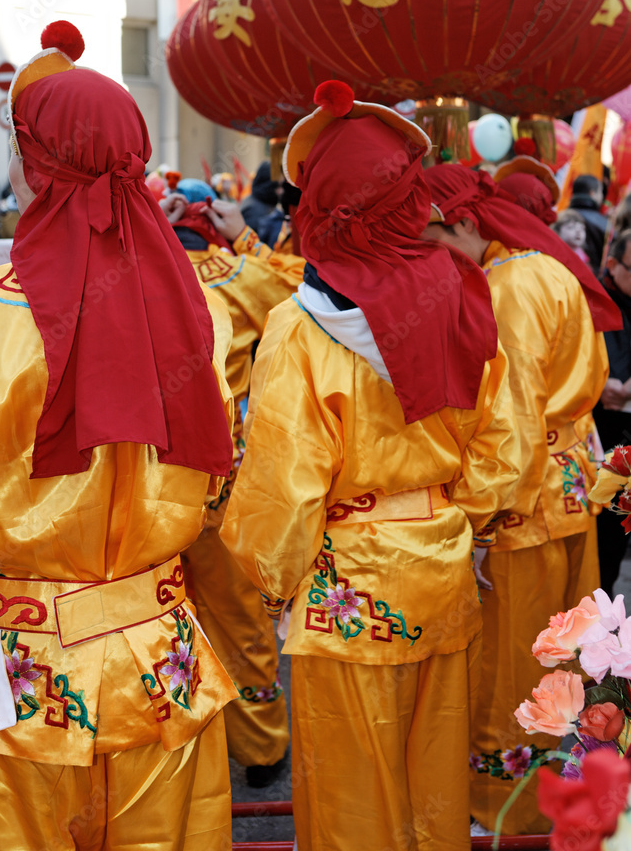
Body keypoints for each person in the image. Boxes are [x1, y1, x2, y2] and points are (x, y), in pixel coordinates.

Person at [221, 82, 521, 851]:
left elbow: (285, 485)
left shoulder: (298, 325)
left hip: (341, 586)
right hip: (441, 564)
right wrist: (459, 516)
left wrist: (269, 583)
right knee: (433, 784)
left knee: (352, 797)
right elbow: (504, 447)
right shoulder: (464, 292)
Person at [0, 22, 239, 850]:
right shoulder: (202, 309)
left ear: (35, 167)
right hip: (164, 658)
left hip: (16, 663)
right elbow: (221, 484)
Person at [422, 164, 618, 835]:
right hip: (565, 486)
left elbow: (509, 419)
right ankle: (569, 791)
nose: (431, 253)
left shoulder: (505, 287)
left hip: (522, 502)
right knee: (569, 656)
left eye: (434, 235)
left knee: (517, 664)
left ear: (467, 224)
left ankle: (505, 809)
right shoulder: (555, 270)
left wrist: (475, 521)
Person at [159, 184, 302, 786]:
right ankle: (262, 747)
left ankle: (178, 741)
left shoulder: (137, 267)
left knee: (164, 614)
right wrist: (245, 233)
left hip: (148, 479)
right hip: (223, 475)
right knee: (240, 619)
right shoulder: (242, 273)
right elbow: (307, 290)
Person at [593, 229, 631, 595]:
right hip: (601, 440)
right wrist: (594, 382)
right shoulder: (593, 301)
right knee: (605, 537)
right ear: (613, 264)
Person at [568, 174, 609, 271]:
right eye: (600, 192)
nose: (602, 197)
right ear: (592, 194)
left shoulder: (558, 218)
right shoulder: (605, 225)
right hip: (591, 279)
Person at [239, 161, 282, 233]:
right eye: (277, 186)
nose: (281, 191)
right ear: (268, 185)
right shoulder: (253, 210)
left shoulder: (263, 202)